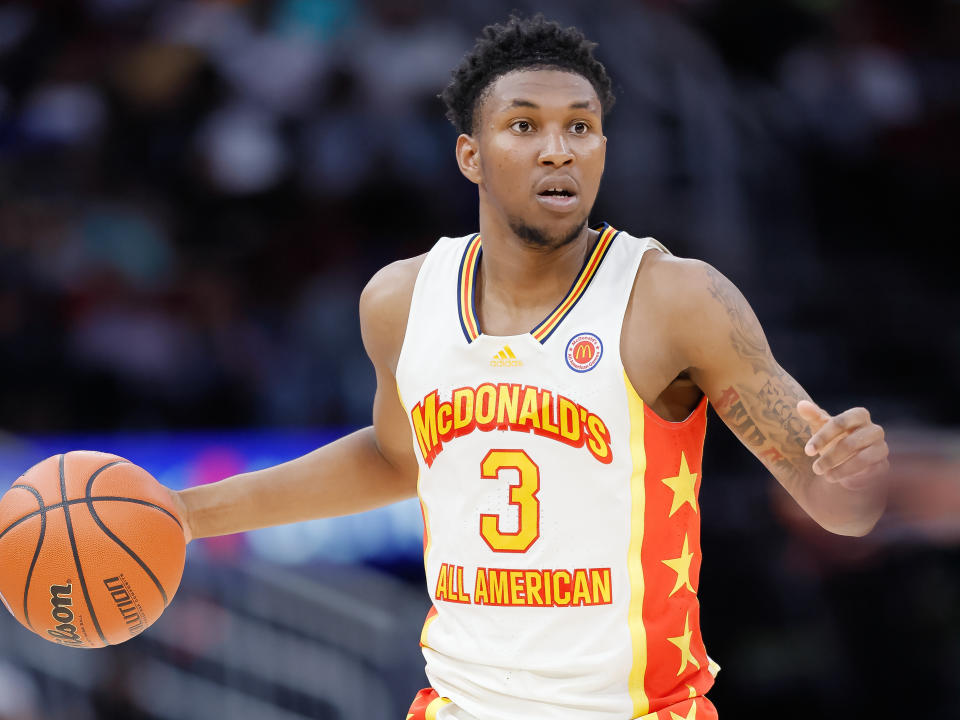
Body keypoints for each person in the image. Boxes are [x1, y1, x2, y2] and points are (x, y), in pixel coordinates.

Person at [167, 15, 890, 720]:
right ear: (470, 156)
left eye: (580, 126)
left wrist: (851, 479)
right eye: (524, 126)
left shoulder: (675, 298)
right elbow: (398, 461)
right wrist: (187, 514)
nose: (558, 149)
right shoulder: (399, 299)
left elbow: (837, 507)